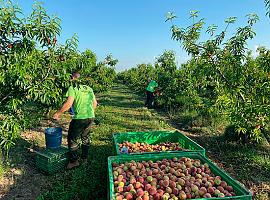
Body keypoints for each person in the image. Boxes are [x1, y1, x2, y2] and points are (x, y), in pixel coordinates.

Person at [53, 72, 97, 169]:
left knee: (72, 139)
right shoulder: (89, 88)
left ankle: (74, 161)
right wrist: (89, 114)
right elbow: (95, 103)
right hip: (90, 117)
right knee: (85, 137)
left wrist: (58, 113)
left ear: (73, 78)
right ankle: (84, 159)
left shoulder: (72, 87)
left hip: (80, 118)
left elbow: (69, 104)